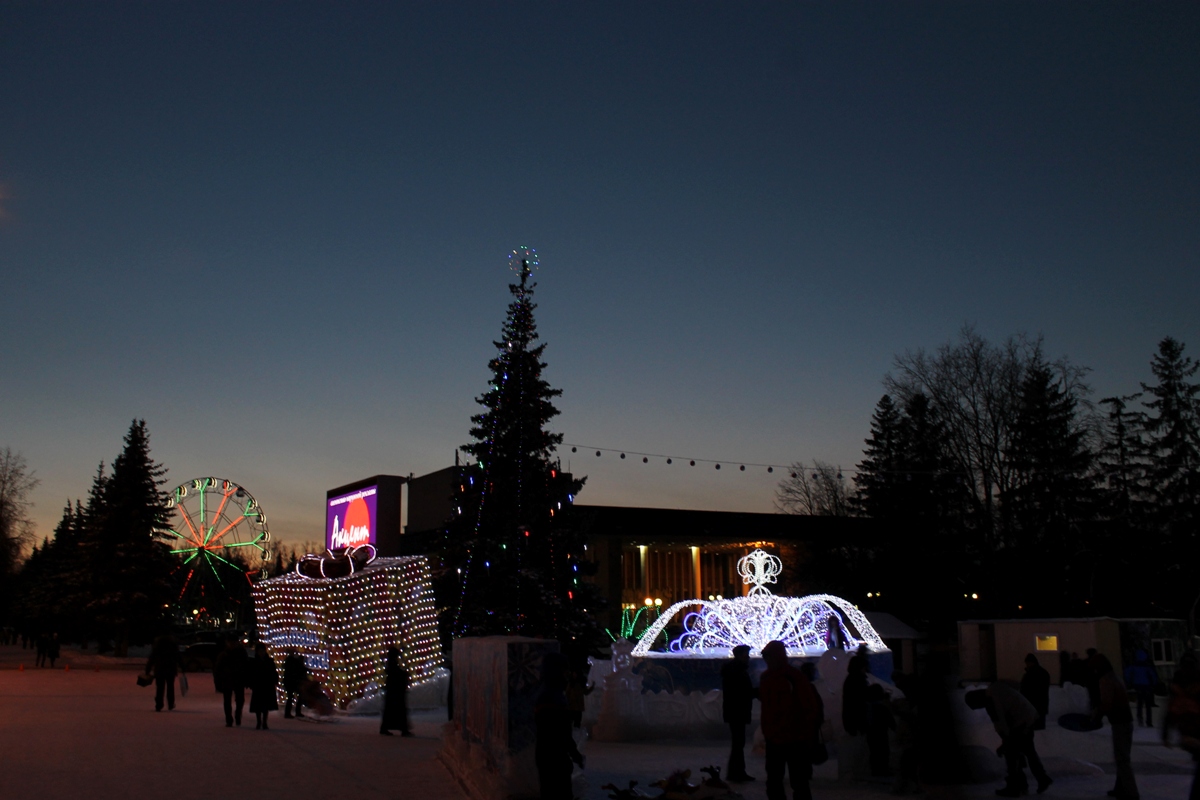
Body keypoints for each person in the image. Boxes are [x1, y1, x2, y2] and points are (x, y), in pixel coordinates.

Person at [965, 682, 1052, 797]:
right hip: (1027, 716)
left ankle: (1015, 787)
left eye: (977, 706)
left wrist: (1005, 744)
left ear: (978, 699)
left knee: (1012, 754)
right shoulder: (994, 690)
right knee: (1027, 750)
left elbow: (1002, 726)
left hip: (1021, 721)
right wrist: (1006, 742)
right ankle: (1039, 780)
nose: (979, 708)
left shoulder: (992, 700)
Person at [758, 640, 821, 800]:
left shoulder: (789, 677)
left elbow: (807, 706)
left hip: (792, 737)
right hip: (782, 737)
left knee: (791, 781)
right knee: (781, 781)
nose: (767, 661)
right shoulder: (775, 677)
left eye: (769, 657)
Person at [534, 652, 584, 800]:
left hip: (550, 756)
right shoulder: (551, 696)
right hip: (554, 758)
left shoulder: (551, 692)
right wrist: (573, 753)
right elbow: (558, 732)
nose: (567, 673)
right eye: (564, 669)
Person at [1093, 654, 1138, 800]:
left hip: (1119, 722)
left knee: (1122, 759)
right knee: (1122, 757)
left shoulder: (1106, 680)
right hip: (1126, 721)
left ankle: (1131, 792)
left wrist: (1096, 715)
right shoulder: (1115, 677)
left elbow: (1107, 703)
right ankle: (1120, 788)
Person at [1162, 651, 1200, 800]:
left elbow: (1170, 710)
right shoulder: (1193, 682)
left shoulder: (1178, 684)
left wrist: (1166, 733)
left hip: (1188, 732)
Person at [722, 644, 757, 782]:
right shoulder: (736, 671)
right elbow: (742, 691)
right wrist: (756, 692)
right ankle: (736, 772)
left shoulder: (735, 670)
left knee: (738, 742)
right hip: (737, 711)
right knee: (738, 742)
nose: (748, 658)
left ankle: (737, 771)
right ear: (740, 656)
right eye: (746, 655)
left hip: (735, 710)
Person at [214, 636, 247, 727]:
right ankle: (229, 718)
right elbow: (217, 669)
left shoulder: (240, 653)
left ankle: (236, 715)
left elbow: (246, 667)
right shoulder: (224, 654)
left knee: (238, 700)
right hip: (229, 679)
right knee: (228, 701)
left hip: (237, 679)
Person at [379, 646, 412, 736]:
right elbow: (394, 672)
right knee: (398, 709)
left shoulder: (390, 663)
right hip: (395, 689)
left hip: (392, 688)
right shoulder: (392, 663)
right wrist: (403, 674)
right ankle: (403, 729)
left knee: (391, 709)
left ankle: (386, 727)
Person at [1123, 649, 1158, 728]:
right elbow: (1153, 675)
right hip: (1147, 686)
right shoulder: (1147, 665)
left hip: (1137, 685)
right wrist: (1154, 683)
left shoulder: (1134, 665)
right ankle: (1149, 721)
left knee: (1140, 703)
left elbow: (1127, 673)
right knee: (1148, 705)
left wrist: (1129, 681)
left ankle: (1140, 718)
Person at [866, 682, 895, 777]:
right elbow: (891, 722)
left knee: (874, 752)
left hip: (871, 733)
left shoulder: (868, 707)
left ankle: (876, 771)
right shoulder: (882, 708)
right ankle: (883, 770)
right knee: (883, 752)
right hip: (882, 733)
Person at [248, 643, 279, 730]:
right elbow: (251, 673)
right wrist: (251, 683)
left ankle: (264, 722)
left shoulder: (269, 661)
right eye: (260, 651)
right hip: (258, 685)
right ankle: (259, 721)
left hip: (267, 685)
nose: (261, 653)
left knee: (265, 706)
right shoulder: (254, 662)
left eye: (262, 651)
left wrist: (274, 681)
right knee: (258, 705)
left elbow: (273, 672)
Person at [146, 634, 180, 712]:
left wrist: (147, 670)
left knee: (160, 688)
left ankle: (159, 705)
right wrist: (182, 667)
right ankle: (171, 704)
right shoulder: (173, 647)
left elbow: (151, 659)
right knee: (170, 687)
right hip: (170, 669)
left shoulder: (157, 647)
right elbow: (178, 657)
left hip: (159, 670)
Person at [1020, 654, 1051, 730]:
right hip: (1040, 705)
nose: (1026, 665)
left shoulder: (1030, 674)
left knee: (1034, 729)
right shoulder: (1043, 673)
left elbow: (1025, 689)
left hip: (1033, 704)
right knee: (1039, 729)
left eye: (1027, 663)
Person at [283, 649, 307, 719]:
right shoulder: (292, 661)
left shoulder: (290, 660)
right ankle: (290, 713)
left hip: (292, 681)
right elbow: (298, 670)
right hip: (292, 681)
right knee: (292, 697)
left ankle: (292, 712)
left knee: (293, 697)